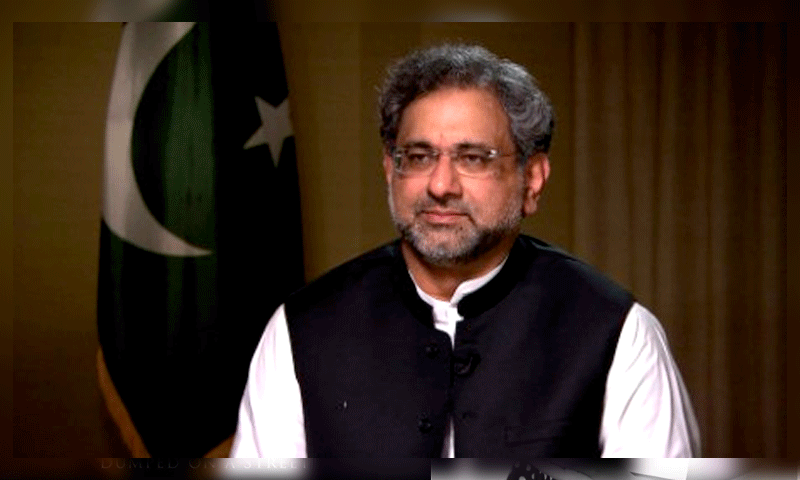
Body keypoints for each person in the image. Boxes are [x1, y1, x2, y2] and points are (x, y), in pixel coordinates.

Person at [230, 44, 700, 458]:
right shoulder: (301, 329)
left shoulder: (617, 333)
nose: (440, 185)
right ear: (390, 171)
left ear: (532, 179)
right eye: (419, 157)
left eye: (473, 158)